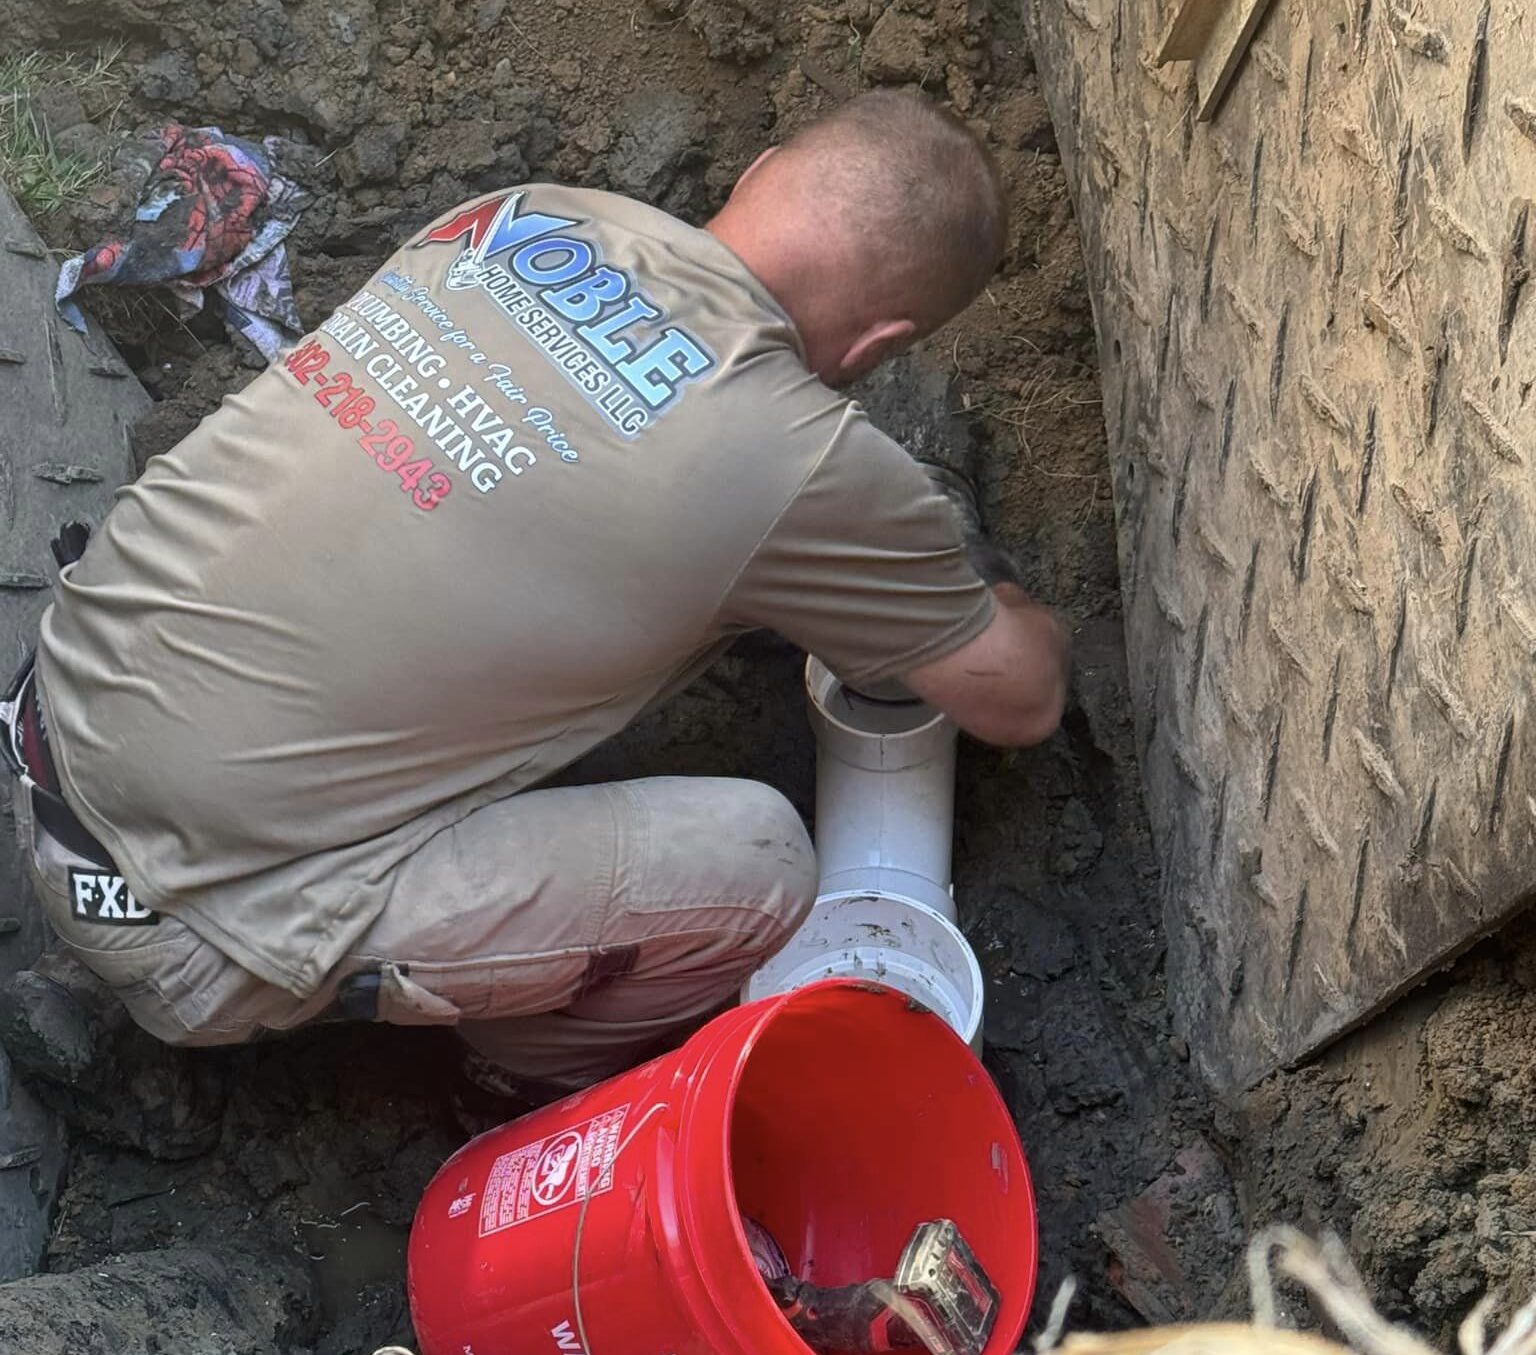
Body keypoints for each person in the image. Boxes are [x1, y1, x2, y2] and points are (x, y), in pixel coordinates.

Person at [2, 90, 1069, 1101]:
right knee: (761, 867)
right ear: (882, 346)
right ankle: (515, 1073)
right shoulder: (805, 460)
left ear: (755, 174)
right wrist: (989, 587)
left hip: (57, 705)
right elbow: (1017, 699)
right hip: (177, 923)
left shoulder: (525, 214)